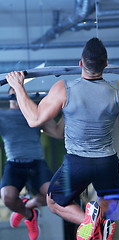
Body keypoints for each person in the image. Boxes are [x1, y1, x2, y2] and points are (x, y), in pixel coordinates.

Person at [5, 38, 119, 240]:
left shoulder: (64, 89)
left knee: (54, 203)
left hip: (77, 162)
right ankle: (99, 224)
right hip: (107, 161)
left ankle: (90, 221)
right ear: (106, 64)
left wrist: (18, 87)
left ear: (80, 63)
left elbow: (34, 119)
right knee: (109, 204)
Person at [0, 87, 64, 240]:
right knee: (7, 198)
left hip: (36, 164)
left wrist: (68, 110)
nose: (16, 97)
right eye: (13, 94)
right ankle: (29, 215)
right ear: (9, 97)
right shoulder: (2, 116)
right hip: (15, 164)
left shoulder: (36, 113)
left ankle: (28, 205)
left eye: (19, 93)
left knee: (54, 196)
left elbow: (58, 133)